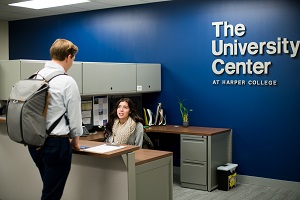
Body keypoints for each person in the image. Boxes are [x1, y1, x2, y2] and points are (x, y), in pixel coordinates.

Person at [28, 38, 83, 200]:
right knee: (51, 195)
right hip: (56, 145)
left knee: (49, 188)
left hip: (34, 144)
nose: (72, 62)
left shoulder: (35, 76)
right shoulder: (67, 81)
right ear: (68, 57)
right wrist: (76, 142)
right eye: (73, 58)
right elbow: (74, 116)